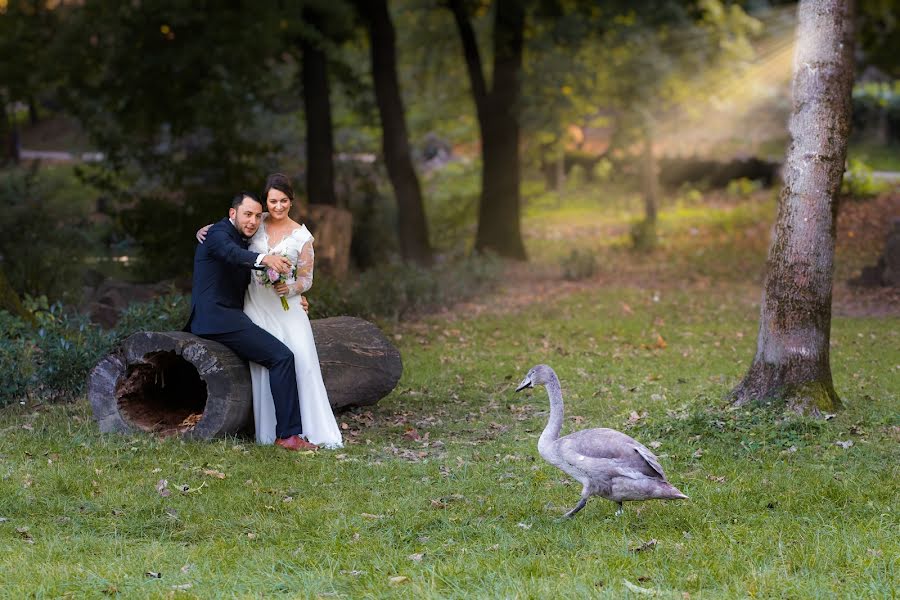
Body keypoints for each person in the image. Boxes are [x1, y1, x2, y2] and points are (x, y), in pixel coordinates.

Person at [195, 175, 342, 449]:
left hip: (260, 308)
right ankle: (287, 435)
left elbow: (304, 276)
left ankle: (290, 432)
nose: (253, 219)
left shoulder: (248, 229)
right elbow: (228, 248)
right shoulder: (221, 233)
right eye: (271, 202)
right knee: (280, 357)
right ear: (233, 213)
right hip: (224, 315)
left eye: (282, 200)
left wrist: (295, 291)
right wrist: (265, 258)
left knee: (287, 358)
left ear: (291, 201)